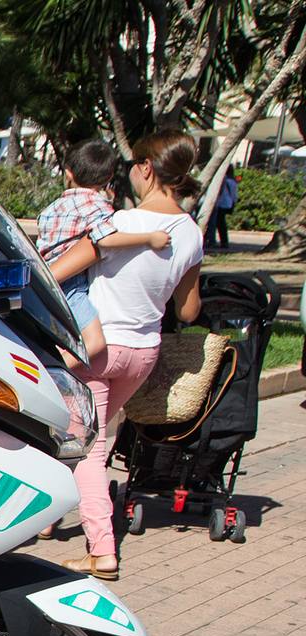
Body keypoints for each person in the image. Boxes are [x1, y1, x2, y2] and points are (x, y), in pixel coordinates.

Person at [49, 130, 205, 580]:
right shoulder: (191, 233)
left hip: (97, 349)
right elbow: (189, 310)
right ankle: (57, 518)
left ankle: (101, 551)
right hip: (143, 353)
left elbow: (58, 271)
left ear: (145, 169)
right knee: (91, 439)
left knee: (87, 448)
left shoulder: (117, 222)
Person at [37, 139, 173, 369]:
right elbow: (105, 239)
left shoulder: (53, 207)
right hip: (71, 285)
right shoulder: (99, 208)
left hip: (46, 274)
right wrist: (150, 238)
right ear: (109, 177)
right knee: (95, 343)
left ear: (68, 172)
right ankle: (48, 374)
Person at [206, 165, 239, 250]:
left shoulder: (224, 180)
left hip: (221, 203)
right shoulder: (233, 181)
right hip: (227, 204)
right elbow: (234, 195)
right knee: (221, 223)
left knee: (219, 223)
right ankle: (223, 241)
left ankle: (220, 241)